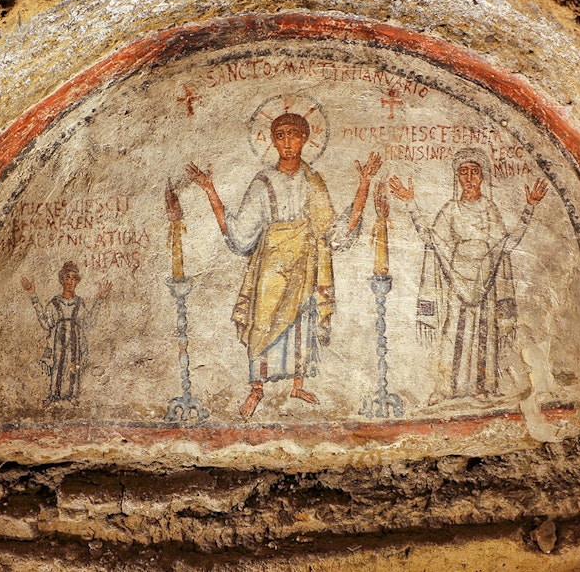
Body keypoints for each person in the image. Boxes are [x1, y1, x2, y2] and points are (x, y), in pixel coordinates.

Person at [188, 112, 382, 419]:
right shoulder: (263, 182)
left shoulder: (313, 181)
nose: (287, 142)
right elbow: (240, 232)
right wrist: (210, 189)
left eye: (294, 135)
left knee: (302, 321)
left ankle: (297, 384)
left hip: (305, 261)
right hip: (271, 263)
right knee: (261, 322)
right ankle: (256, 389)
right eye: (280, 136)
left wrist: (364, 185)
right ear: (272, 141)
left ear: (305, 139)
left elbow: (332, 230)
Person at [389, 149, 547, 402]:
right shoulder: (451, 210)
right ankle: (446, 388)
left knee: (484, 332)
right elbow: (432, 239)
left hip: (485, 278)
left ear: (483, 177)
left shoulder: (489, 209)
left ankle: (482, 388)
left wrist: (529, 208)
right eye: (463, 172)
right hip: (456, 276)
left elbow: (505, 244)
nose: (469, 177)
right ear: (457, 178)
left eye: (475, 171)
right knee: (453, 331)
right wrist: (410, 204)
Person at [21, 261, 112, 403]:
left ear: (77, 282)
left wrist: (100, 299)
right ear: (62, 280)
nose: (70, 281)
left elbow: (88, 322)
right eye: (68, 277)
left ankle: (72, 395)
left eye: (74, 278)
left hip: (75, 341)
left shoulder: (79, 303)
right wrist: (33, 295)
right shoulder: (55, 302)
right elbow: (46, 322)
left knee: (73, 366)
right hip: (58, 341)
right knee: (57, 365)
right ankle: (53, 396)